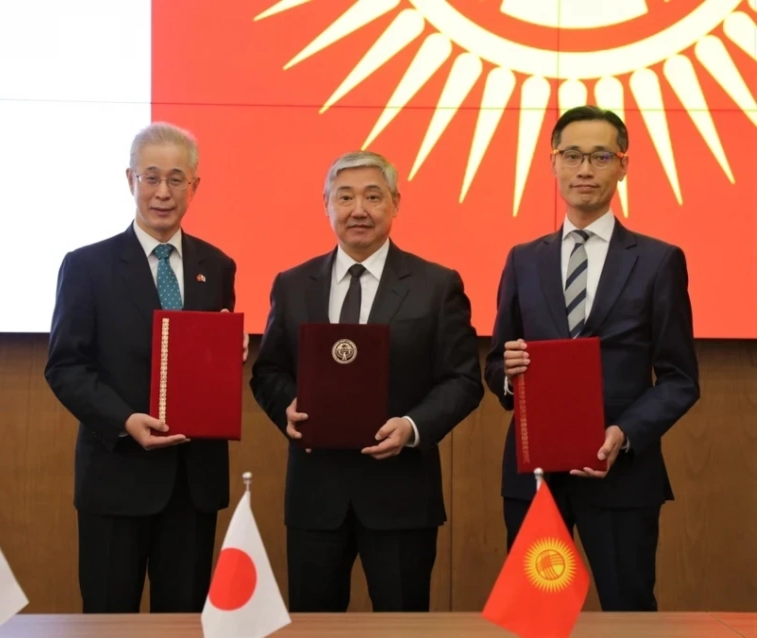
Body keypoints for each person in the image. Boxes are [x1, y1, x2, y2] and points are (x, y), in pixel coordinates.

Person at [484, 105, 700, 611]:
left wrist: (624, 434)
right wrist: (510, 377)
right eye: (572, 156)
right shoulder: (523, 259)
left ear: (623, 166)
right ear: (553, 163)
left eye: (601, 157)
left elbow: (680, 379)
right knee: (536, 615)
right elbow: (496, 363)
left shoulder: (658, 260)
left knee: (628, 611)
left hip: (622, 475)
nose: (585, 169)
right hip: (535, 475)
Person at [250, 150, 484, 613]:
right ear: (326, 205)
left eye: (373, 197)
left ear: (395, 203)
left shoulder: (436, 285)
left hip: (401, 495)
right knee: (313, 626)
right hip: (316, 495)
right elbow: (269, 370)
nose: (359, 209)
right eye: (345, 197)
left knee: (402, 626)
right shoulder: (292, 284)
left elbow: (463, 379)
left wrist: (412, 427)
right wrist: (287, 407)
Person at [44, 121, 247, 614]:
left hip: (192, 484)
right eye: (151, 177)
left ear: (195, 186)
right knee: (108, 620)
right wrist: (123, 420)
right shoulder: (87, 266)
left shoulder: (217, 265)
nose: (163, 192)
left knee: (183, 622)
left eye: (177, 179)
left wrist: (228, 354)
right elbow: (66, 365)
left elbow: (205, 365)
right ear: (130, 180)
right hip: (115, 476)